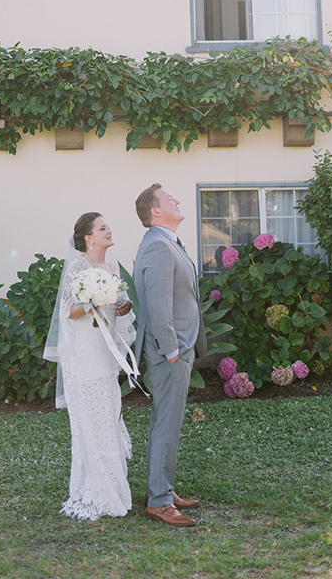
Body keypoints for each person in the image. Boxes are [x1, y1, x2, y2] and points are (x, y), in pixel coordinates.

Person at [44, 212, 135, 521]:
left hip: (106, 353)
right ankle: (97, 489)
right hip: (85, 354)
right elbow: (69, 311)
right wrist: (91, 302)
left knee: (109, 415)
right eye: (102, 227)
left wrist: (125, 305)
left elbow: (120, 304)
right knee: (93, 420)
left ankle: (116, 488)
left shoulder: (113, 266)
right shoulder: (78, 267)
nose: (109, 230)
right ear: (88, 238)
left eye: (108, 225)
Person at [133, 183, 207, 527]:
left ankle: (160, 489)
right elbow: (158, 303)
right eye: (169, 199)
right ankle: (159, 502)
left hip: (178, 346)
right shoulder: (158, 247)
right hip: (171, 350)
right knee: (167, 421)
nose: (176, 200)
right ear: (155, 212)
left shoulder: (165, 242)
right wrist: (172, 350)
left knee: (168, 420)